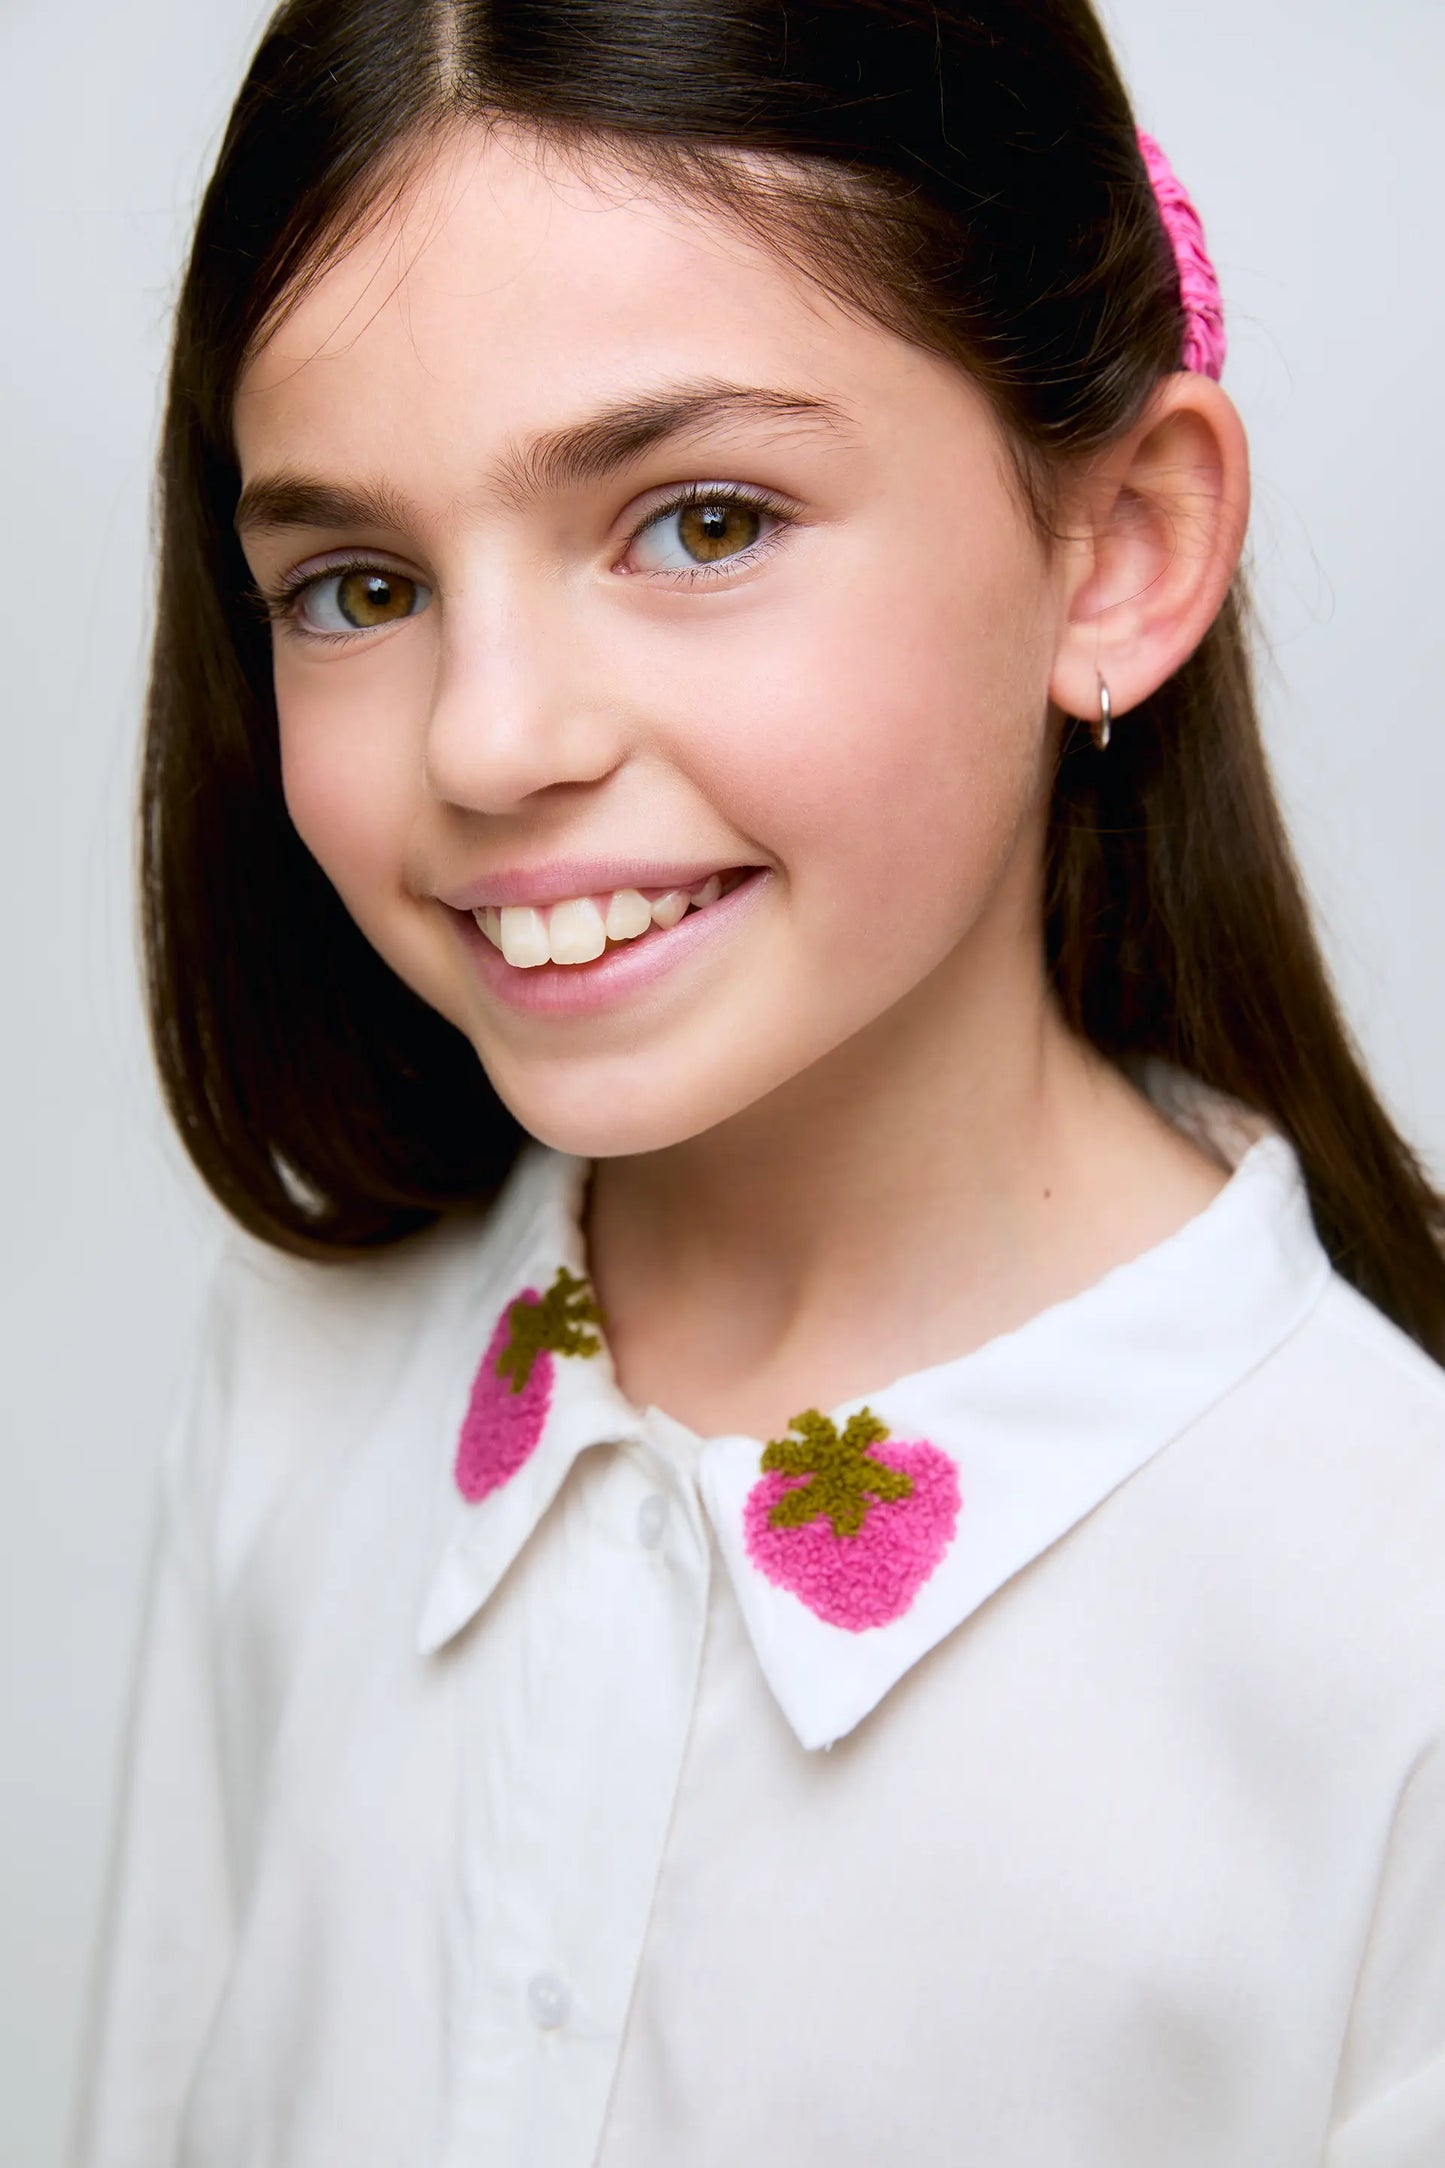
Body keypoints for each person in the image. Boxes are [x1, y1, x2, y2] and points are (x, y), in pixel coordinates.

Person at [71, 2, 1445, 2163]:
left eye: (699, 523)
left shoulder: (1391, 1635)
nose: (487, 738)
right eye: (358, 585)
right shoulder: (295, 1403)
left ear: (1120, 550)